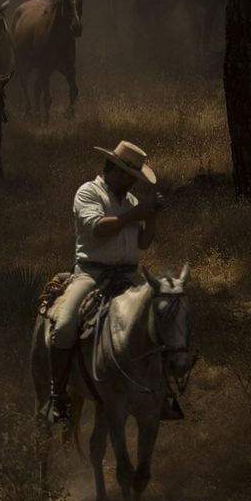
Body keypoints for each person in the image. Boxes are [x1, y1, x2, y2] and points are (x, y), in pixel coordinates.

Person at [42, 140, 183, 427]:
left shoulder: (129, 202)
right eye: (131, 177)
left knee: (160, 319)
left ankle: (162, 392)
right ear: (116, 171)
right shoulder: (88, 192)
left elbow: (143, 242)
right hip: (91, 274)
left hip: (128, 274)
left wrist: (151, 217)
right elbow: (97, 228)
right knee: (66, 324)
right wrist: (133, 215)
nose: (133, 183)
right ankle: (57, 397)